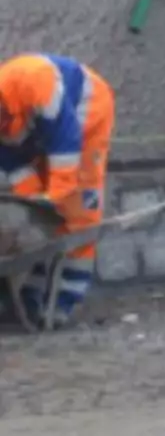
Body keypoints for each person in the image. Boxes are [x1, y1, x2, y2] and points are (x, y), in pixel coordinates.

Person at [0, 53, 115, 326]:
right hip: (40, 132)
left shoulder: (36, 82)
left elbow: (66, 140)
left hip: (86, 112)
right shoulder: (8, 111)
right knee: (42, 223)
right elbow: (13, 164)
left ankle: (64, 301)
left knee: (78, 214)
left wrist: (57, 198)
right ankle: (31, 298)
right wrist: (35, 205)